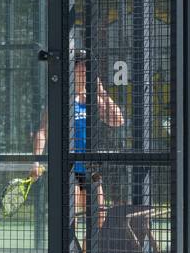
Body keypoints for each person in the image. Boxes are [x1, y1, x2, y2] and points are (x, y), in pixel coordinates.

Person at [32, 52, 125, 225]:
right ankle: (70, 252)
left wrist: (102, 91)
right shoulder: (61, 99)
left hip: (91, 167)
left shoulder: (93, 99)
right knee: (69, 216)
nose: (83, 68)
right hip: (70, 167)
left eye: (86, 65)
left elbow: (118, 120)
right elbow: (43, 131)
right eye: (79, 64)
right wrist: (36, 161)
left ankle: (85, 252)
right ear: (72, 69)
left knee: (99, 218)